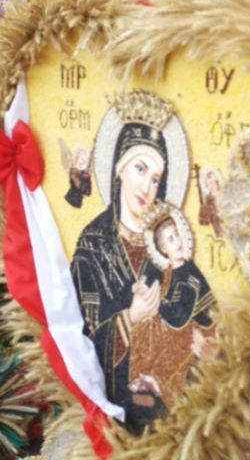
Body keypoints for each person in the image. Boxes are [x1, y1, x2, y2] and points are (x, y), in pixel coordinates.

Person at [71, 91, 203, 432]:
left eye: (155, 178)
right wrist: (130, 318)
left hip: (172, 410)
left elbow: (202, 312)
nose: (147, 186)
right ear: (119, 170)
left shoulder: (167, 241)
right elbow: (75, 337)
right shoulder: (92, 245)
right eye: (140, 168)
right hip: (112, 413)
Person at [129, 204, 215, 410]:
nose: (177, 242)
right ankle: (145, 390)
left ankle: (155, 393)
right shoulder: (171, 273)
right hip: (182, 336)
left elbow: (178, 316)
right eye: (170, 239)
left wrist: (155, 300)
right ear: (163, 249)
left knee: (174, 372)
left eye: (177, 235)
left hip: (204, 335)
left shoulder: (189, 274)